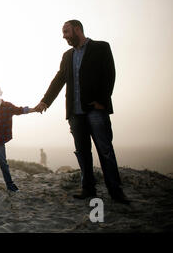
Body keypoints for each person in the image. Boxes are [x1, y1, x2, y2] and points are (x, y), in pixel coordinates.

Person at [34, 20, 130, 204]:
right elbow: (59, 80)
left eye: (66, 31)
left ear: (77, 29)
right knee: (82, 152)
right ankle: (88, 188)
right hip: (75, 113)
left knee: (105, 151)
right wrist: (45, 101)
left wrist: (102, 101)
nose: (64, 36)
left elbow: (110, 74)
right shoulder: (67, 55)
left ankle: (116, 192)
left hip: (95, 110)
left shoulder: (101, 47)